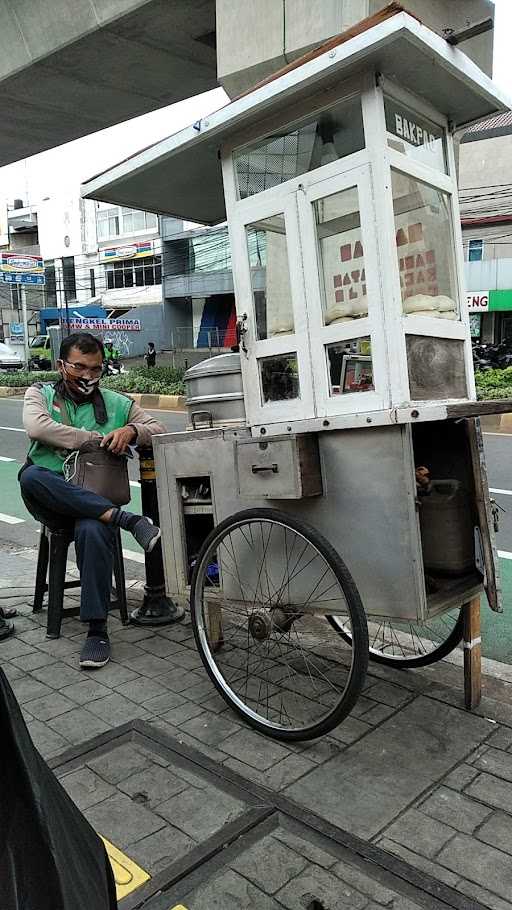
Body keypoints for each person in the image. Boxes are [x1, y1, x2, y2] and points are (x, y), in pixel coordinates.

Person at [19, 332, 170, 669]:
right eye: (79, 367)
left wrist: (131, 432)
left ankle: (97, 631)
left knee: (91, 526)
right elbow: (38, 428)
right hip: (50, 497)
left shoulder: (117, 403)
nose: (87, 376)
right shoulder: (39, 394)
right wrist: (95, 440)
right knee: (30, 476)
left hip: (95, 505)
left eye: (95, 369)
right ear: (61, 366)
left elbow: (158, 428)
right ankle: (127, 520)